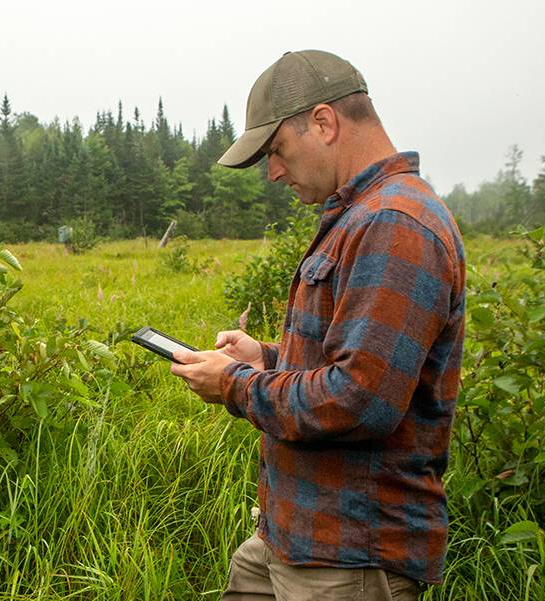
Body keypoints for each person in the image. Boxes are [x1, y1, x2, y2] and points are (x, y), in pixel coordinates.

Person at [169, 50, 466, 600]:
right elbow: (355, 360)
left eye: (277, 150)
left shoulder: (393, 223)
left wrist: (234, 384)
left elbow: (359, 400)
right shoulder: (360, 215)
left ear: (324, 122)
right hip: (296, 535)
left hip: (348, 553)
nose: (274, 172)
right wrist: (268, 360)